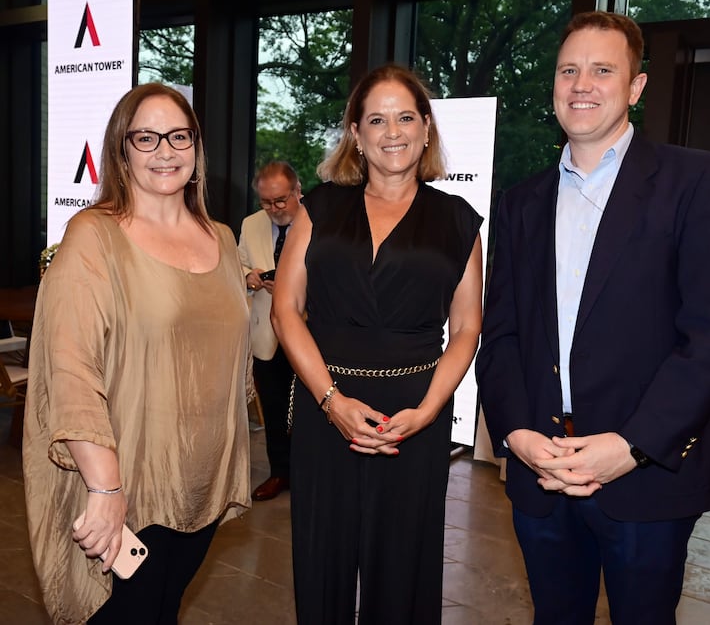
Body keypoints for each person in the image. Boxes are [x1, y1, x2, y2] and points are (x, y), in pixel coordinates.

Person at [476, 11, 710, 625]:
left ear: (636, 87)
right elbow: (502, 335)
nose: (581, 84)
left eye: (603, 70)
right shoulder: (521, 203)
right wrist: (516, 433)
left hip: (645, 479)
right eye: (568, 70)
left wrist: (631, 445)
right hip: (540, 473)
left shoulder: (697, 182)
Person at [22, 83, 252, 624]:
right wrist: (106, 488)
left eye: (178, 136)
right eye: (145, 138)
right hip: (126, 484)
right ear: (121, 151)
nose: (164, 151)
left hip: (199, 486)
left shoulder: (220, 239)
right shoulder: (94, 236)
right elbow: (71, 369)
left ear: (196, 148)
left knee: (163, 609)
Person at [270, 63, 483, 624]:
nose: (394, 131)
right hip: (325, 406)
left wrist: (429, 412)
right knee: (323, 563)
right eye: (377, 119)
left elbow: (465, 328)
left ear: (427, 127)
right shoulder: (319, 206)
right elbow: (286, 310)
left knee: (404, 570)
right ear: (356, 135)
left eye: (406, 116)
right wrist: (330, 402)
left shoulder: (458, 220)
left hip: (416, 414)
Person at [238, 160, 302, 500]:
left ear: (297, 191)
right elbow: (239, 261)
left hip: (310, 335)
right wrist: (250, 276)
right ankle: (279, 473)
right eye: (266, 202)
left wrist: (296, 289)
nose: (274, 209)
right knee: (274, 409)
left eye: (280, 200)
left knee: (310, 411)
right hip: (265, 334)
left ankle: (309, 476)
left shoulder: (319, 223)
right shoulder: (251, 224)